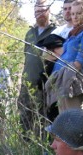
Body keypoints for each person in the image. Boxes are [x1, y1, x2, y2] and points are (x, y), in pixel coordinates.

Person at [45, 0, 83, 113]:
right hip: (62, 82)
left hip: (73, 83)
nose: (74, 16)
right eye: (73, 13)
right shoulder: (74, 32)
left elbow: (81, 60)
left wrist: (64, 77)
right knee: (64, 122)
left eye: (78, 13)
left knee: (73, 121)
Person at [17, 1, 56, 138]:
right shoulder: (29, 33)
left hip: (45, 85)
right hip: (27, 84)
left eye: (42, 11)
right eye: (36, 12)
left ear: (48, 11)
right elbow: (26, 57)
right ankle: (25, 146)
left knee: (43, 118)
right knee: (24, 116)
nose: (39, 15)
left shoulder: (55, 31)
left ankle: (42, 150)